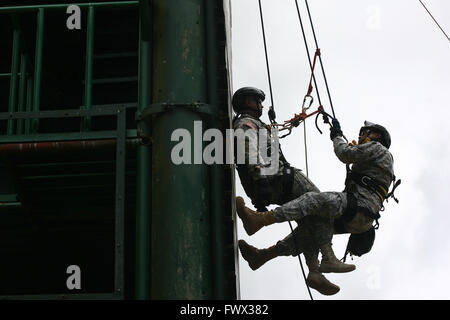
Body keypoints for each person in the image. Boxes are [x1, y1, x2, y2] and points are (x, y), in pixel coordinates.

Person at [235, 89, 395, 295]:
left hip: (353, 206)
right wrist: (260, 177)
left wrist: (337, 136)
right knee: (312, 217)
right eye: (258, 102)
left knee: (315, 203)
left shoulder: (379, 149)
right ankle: (303, 265)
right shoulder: (248, 124)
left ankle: (263, 224)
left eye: (366, 132)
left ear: (377, 136)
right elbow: (248, 145)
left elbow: (345, 153)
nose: (361, 135)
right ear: (248, 102)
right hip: (353, 211)